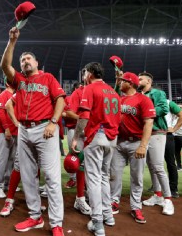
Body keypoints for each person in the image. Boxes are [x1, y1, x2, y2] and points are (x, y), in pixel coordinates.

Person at [0, 26, 66, 236]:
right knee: (28, 177)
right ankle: (35, 216)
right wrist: (12, 41)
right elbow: (4, 65)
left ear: (37, 63)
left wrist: (53, 122)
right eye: (23, 60)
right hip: (24, 131)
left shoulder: (48, 78)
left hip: (45, 129)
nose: (25, 61)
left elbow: (61, 100)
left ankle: (56, 223)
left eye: (29, 59)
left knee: (52, 178)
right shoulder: (19, 80)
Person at [70, 62, 120, 236]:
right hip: (112, 137)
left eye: (85, 73)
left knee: (93, 179)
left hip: (97, 136)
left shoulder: (90, 89)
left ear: (90, 73)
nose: (84, 76)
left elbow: (83, 116)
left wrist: (76, 137)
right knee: (104, 177)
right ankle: (108, 215)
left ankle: (98, 222)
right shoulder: (113, 91)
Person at [110, 71, 155, 224]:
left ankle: (136, 206)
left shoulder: (143, 100)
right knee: (114, 175)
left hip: (136, 143)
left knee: (137, 177)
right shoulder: (118, 99)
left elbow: (149, 122)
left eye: (122, 81)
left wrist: (143, 145)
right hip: (118, 142)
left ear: (130, 83)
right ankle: (113, 202)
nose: (120, 83)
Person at [138, 72, 175, 216]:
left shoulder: (158, 93)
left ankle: (168, 199)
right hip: (145, 133)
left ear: (148, 81)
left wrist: (145, 113)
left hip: (157, 132)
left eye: (140, 78)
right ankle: (158, 195)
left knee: (158, 167)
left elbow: (163, 109)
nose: (138, 80)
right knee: (152, 167)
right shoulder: (139, 95)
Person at [64, 74, 91, 215]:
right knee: (79, 164)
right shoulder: (77, 93)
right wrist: (84, 120)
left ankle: (86, 195)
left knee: (91, 166)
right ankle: (80, 197)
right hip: (76, 131)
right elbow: (68, 112)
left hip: (93, 133)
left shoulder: (97, 90)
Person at [0, 83, 20, 217]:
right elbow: (1, 113)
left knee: (11, 160)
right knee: (2, 160)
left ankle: (7, 184)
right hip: (5, 132)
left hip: (15, 131)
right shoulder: (4, 95)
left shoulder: (16, 94)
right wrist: (6, 128)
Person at [164, 100, 182, 198]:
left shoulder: (168, 102)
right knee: (154, 163)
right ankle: (156, 187)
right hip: (153, 134)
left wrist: (174, 128)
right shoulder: (147, 99)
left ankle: (173, 188)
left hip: (167, 134)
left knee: (171, 162)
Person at [63, 82, 81, 189]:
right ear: (75, 89)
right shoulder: (69, 98)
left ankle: (85, 181)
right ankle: (73, 179)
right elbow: (63, 113)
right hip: (73, 129)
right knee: (72, 155)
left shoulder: (88, 96)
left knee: (87, 156)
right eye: (79, 88)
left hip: (86, 129)